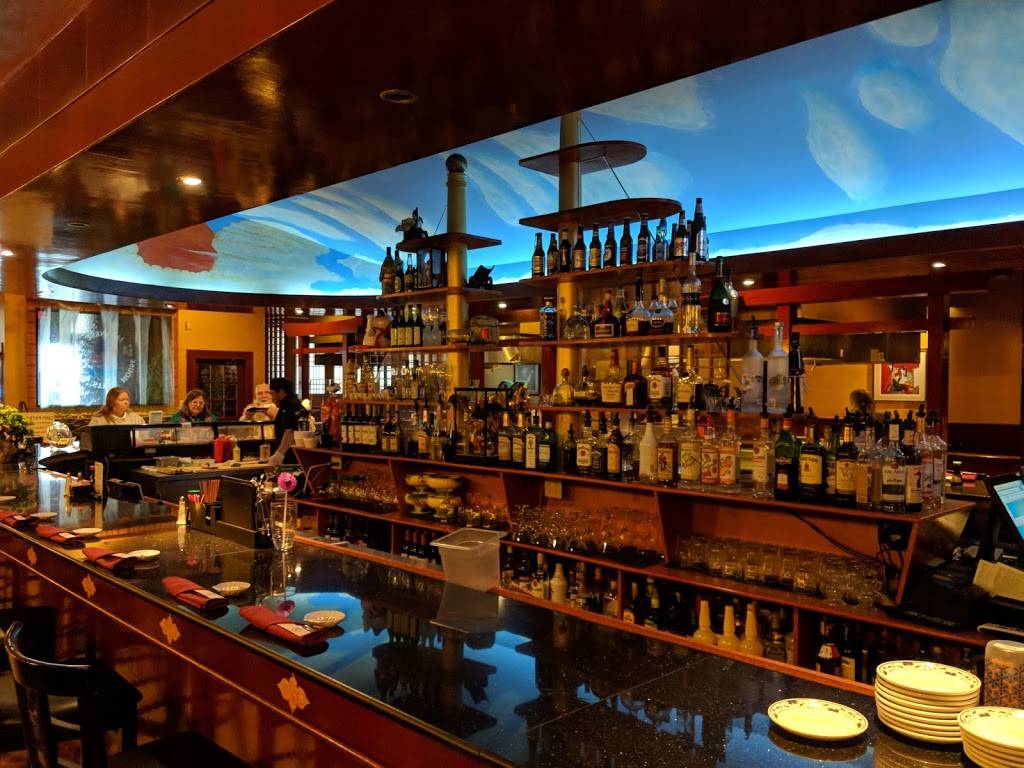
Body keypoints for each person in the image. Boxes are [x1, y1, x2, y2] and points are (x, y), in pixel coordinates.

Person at [267, 377, 307, 466]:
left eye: (272, 393)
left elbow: (290, 431)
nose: (272, 398)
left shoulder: (288, 406)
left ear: (281, 392)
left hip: (289, 456)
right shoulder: (296, 404)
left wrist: (279, 454)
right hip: (297, 454)